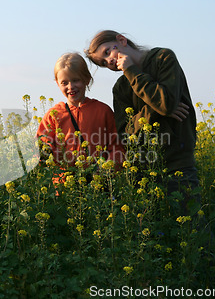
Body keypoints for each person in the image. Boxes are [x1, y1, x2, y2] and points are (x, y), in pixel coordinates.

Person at [84, 30, 199, 213]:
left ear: (121, 40)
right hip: (144, 168)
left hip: (178, 164)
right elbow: (125, 133)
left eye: (107, 52)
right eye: (104, 63)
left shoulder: (163, 59)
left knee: (191, 229)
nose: (110, 62)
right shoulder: (121, 88)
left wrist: (131, 71)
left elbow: (166, 103)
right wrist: (159, 109)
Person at [37, 52, 124, 185]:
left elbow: (117, 147)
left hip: (98, 185)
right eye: (64, 83)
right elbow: (41, 149)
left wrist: (106, 170)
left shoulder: (102, 111)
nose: (71, 87)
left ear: (87, 79)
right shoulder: (53, 114)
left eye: (76, 80)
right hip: (63, 188)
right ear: (57, 83)